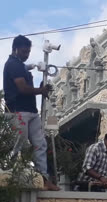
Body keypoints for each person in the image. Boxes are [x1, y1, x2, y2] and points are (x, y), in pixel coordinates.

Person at [3, 35, 60, 191]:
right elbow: (22, 88)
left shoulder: (20, 65)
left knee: (40, 145)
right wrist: (40, 90)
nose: (26, 54)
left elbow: (27, 86)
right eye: (24, 51)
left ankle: (44, 180)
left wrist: (41, 86)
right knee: (17, 145)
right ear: (15, 49)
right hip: (17, 111)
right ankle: (8, 177)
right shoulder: (13, 65)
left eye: (28, 51)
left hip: (31, 112)